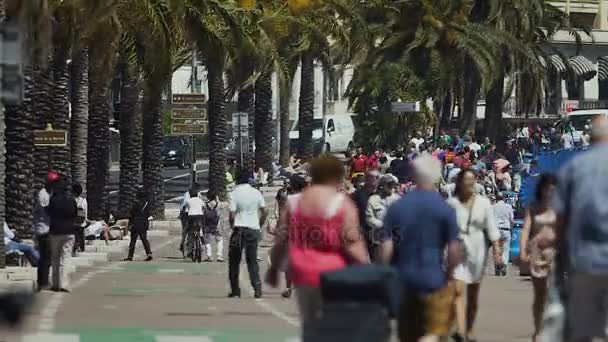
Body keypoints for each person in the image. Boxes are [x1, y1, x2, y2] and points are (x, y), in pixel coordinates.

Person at [266, 155, 369, 336]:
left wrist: (274, 269)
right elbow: (352, 242)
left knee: (310, 323)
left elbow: (282, 237)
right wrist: (367, 269)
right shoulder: (342, 203)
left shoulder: (294, 202)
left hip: (304, 272)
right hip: (334, 273)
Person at [377, 154, 461, 342]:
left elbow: (386, 246)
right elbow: (454, 248)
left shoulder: (397, 207)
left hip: (403, 280)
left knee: (407, 334)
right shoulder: (445, 209)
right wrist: (450, 274)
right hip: (432, 279)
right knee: (436, 331)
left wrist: (383, 274)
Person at [540, 116, 608, 342]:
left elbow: (559, 219)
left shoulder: (574, 167)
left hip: (583, 263)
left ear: (590, 137)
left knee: (582, 329)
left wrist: (554, 244)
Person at [447, 169, 502, 342]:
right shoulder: (451, 204)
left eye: (473, 179)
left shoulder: (484, 203)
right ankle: (461, 330)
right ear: (460, 183)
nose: (470, 183)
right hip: (457, 248)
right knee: (457, 290)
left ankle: (469, 328)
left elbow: (492, 228)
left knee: (473, 295)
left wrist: (497, 251)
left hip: (477, 250)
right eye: (467, 180)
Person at [518, 173, 557, 342]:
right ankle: (538, 329)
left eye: (553, 187)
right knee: (539, 295)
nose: (550, 190)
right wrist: (522, 251)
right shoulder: (533, 208)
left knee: (553, 294)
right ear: (542, 188)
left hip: (555, 254)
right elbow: (526, 229)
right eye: (548, 187)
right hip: (537, 254)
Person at [228, 168, 268, 298]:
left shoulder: (233, 193)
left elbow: (232, 214)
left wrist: (232, 225)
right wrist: (259, 223)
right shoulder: (256, 192)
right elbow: (265, 210)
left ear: (237, 179)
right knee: (252, 260)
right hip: (253, 228)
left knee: (234, 260)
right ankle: (257, 288)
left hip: (239, 228)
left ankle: (235, 290)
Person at [47, 177, 77, 292]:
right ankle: (64, 283)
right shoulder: (72, 200)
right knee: (66, 257)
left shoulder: (53, 199)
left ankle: (55, 284)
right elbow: (75, 214)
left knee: (55, 258)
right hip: (69, 231)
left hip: (55, 231)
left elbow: (49, 213)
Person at [33, 172, 59, 291]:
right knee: (45, 257)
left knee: (48, 256)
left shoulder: (50, 193)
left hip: (48, 228)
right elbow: (47, 211)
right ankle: (42, 282)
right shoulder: (43, 194)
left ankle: (44, 280)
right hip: (43, 229)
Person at [365, 174, 399, 259]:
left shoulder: (398, 199)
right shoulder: (373, 199)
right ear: (382, 185)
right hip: (378, 240)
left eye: (392, 184)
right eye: (388, 184)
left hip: (395, 239)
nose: (391, 186)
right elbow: (369, 218)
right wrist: (383, 225)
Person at [351, 169, 379, 250]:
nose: (374, 179)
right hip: (363, 233)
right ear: (366, 178)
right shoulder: (358, 194)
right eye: (371, 177)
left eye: (377, 177)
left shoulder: (382, 194)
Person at [124, 190, 153, 261]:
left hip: (135, 223)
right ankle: (149, 253)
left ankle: (130, 256)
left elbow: (131, 213)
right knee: (144, 239)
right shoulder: (147, 204)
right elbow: (149, 214)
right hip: (143, 224)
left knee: (133, 241)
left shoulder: (135, 204)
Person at [493, 192, 514, 276]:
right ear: (504, 198)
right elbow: (511, 219)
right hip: (506, 229)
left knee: (496, 249)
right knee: (506, 249)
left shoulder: (493, 207)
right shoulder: (508, 207)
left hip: (495, 230)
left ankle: (497, 265)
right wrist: (511, 228)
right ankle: (504, 265)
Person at [203, 192, 223, 262]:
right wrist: (217, 199)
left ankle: (209, 256)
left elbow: (204, 213)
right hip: (217, 224)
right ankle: (219, 256)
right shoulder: (218, 204)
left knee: (207, 241)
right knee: (219, 240)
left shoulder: (205, 205)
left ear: (208, 197)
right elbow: (219, 213)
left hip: (208, 224)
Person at [72, 183, 87, 255]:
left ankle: (74, 251)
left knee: (75, 237)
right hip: (82, 223)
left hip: (73, 222)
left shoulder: (71, 200)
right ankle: (82, 249)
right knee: (81, 237)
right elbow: (86, 212)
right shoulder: (83, 200)